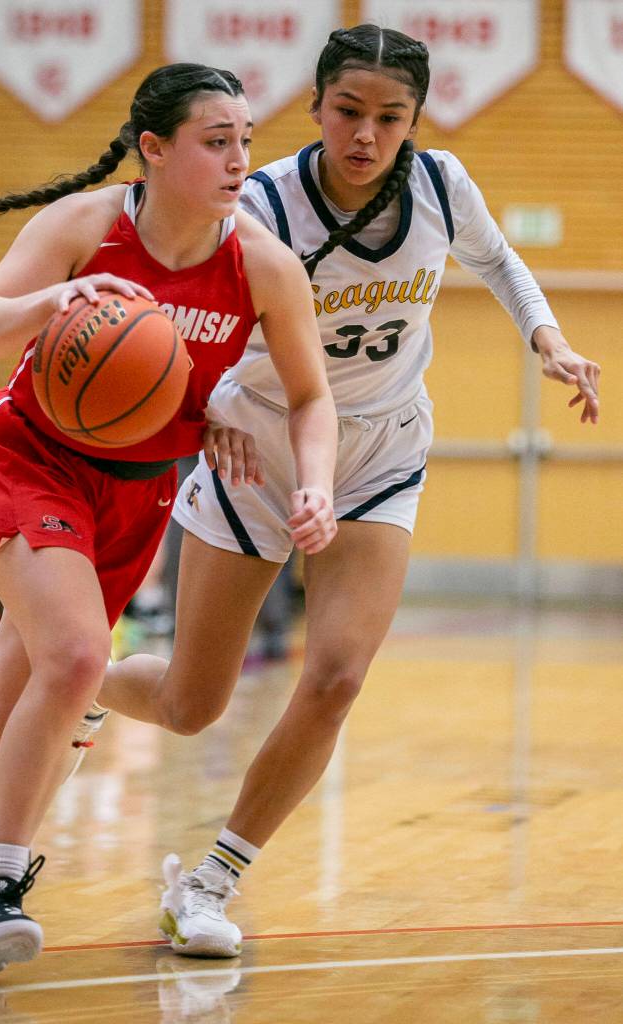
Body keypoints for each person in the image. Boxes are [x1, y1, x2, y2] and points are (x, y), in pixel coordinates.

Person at [0, 63, 338, 972]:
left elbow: (312, 398)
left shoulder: (264, 267)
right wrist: (49, 302)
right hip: (33, 461)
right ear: (154, 150)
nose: (242, 160)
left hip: (139, 492)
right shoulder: (85, 226)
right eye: (217, 141)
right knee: (79, 660)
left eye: (247, 141)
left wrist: (311, 481)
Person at [92, 24, 602, 958]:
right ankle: (86, 686)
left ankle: (210, 882)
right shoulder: (261, 204)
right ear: (316, 107)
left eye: (390, 117)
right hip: (257, 447)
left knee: (335, 679)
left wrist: (548, 339)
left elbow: (498, 260)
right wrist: (207, 408)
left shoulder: (444, 184)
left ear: (415, 119)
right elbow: (183, 323)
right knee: (189, 704)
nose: (366, 134)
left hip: (378, 453)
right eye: (348, 112)